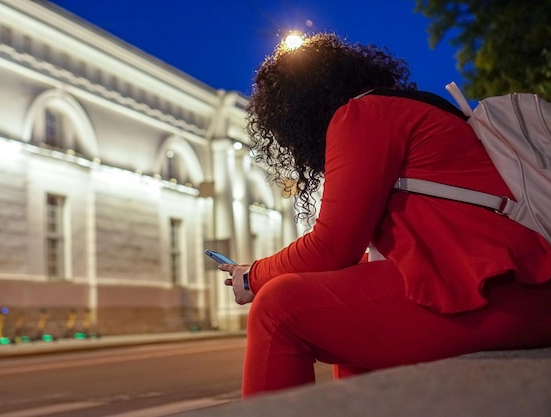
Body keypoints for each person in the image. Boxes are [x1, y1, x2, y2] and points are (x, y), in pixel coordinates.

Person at [219, 32, 551, 398]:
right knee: (345, 312)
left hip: (503, 293)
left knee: (276, 308)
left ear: (296, 111)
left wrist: (253, 278)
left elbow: (331, 246)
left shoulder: (361, 115)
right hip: (525, 292)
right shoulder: (410, 108)